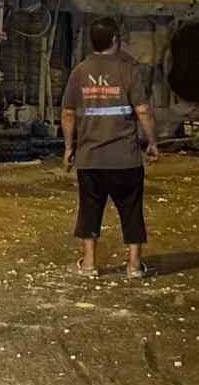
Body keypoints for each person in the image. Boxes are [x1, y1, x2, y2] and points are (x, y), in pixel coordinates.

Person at [62, 17, 159, 279]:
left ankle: (90, 264)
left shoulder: (80, 72)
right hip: (125, 159)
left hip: (90, 157)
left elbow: (68, 113)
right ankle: (134, 265)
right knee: (131, 209)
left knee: (89, 209)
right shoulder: (129, 71)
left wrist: (69, 148)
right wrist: (152, 142)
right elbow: (143, 111)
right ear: (115, 40)